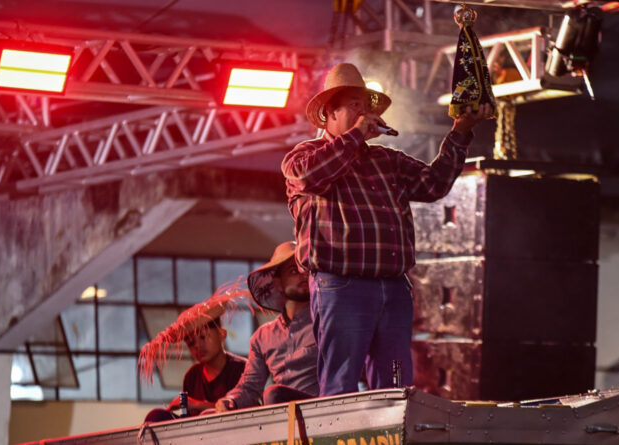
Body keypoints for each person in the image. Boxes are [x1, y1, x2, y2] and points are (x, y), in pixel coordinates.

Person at [281, 62, 491, 396]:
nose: (363, 112)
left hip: (393, 288)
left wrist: (461, 131)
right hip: (341, 287)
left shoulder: (386, 160)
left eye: (366, 106)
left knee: (394, 389)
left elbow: (434, 184)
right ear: (328, 114)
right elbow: (309, 177)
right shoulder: (303, 156)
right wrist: (354, 138)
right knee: (340, 384)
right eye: (354, 105)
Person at [215, 241, 319, 412]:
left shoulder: (325, 324)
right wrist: (230, 401)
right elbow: (250, 387)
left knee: (273, 394)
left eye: (306, 270)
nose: (302, 276)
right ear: (277, 283)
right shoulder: (262, 337)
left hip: (319, 411)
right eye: (294, 271)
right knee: (211, 412)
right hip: (279, 413)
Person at [144, 318, 246, 422]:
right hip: (199, 434)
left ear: (222, 334)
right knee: (156, 416)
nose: (197, 346)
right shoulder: (192, 376)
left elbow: (246, 410)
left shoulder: (242, 368)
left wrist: (195, 404)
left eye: (203, 337)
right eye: (191, 343)